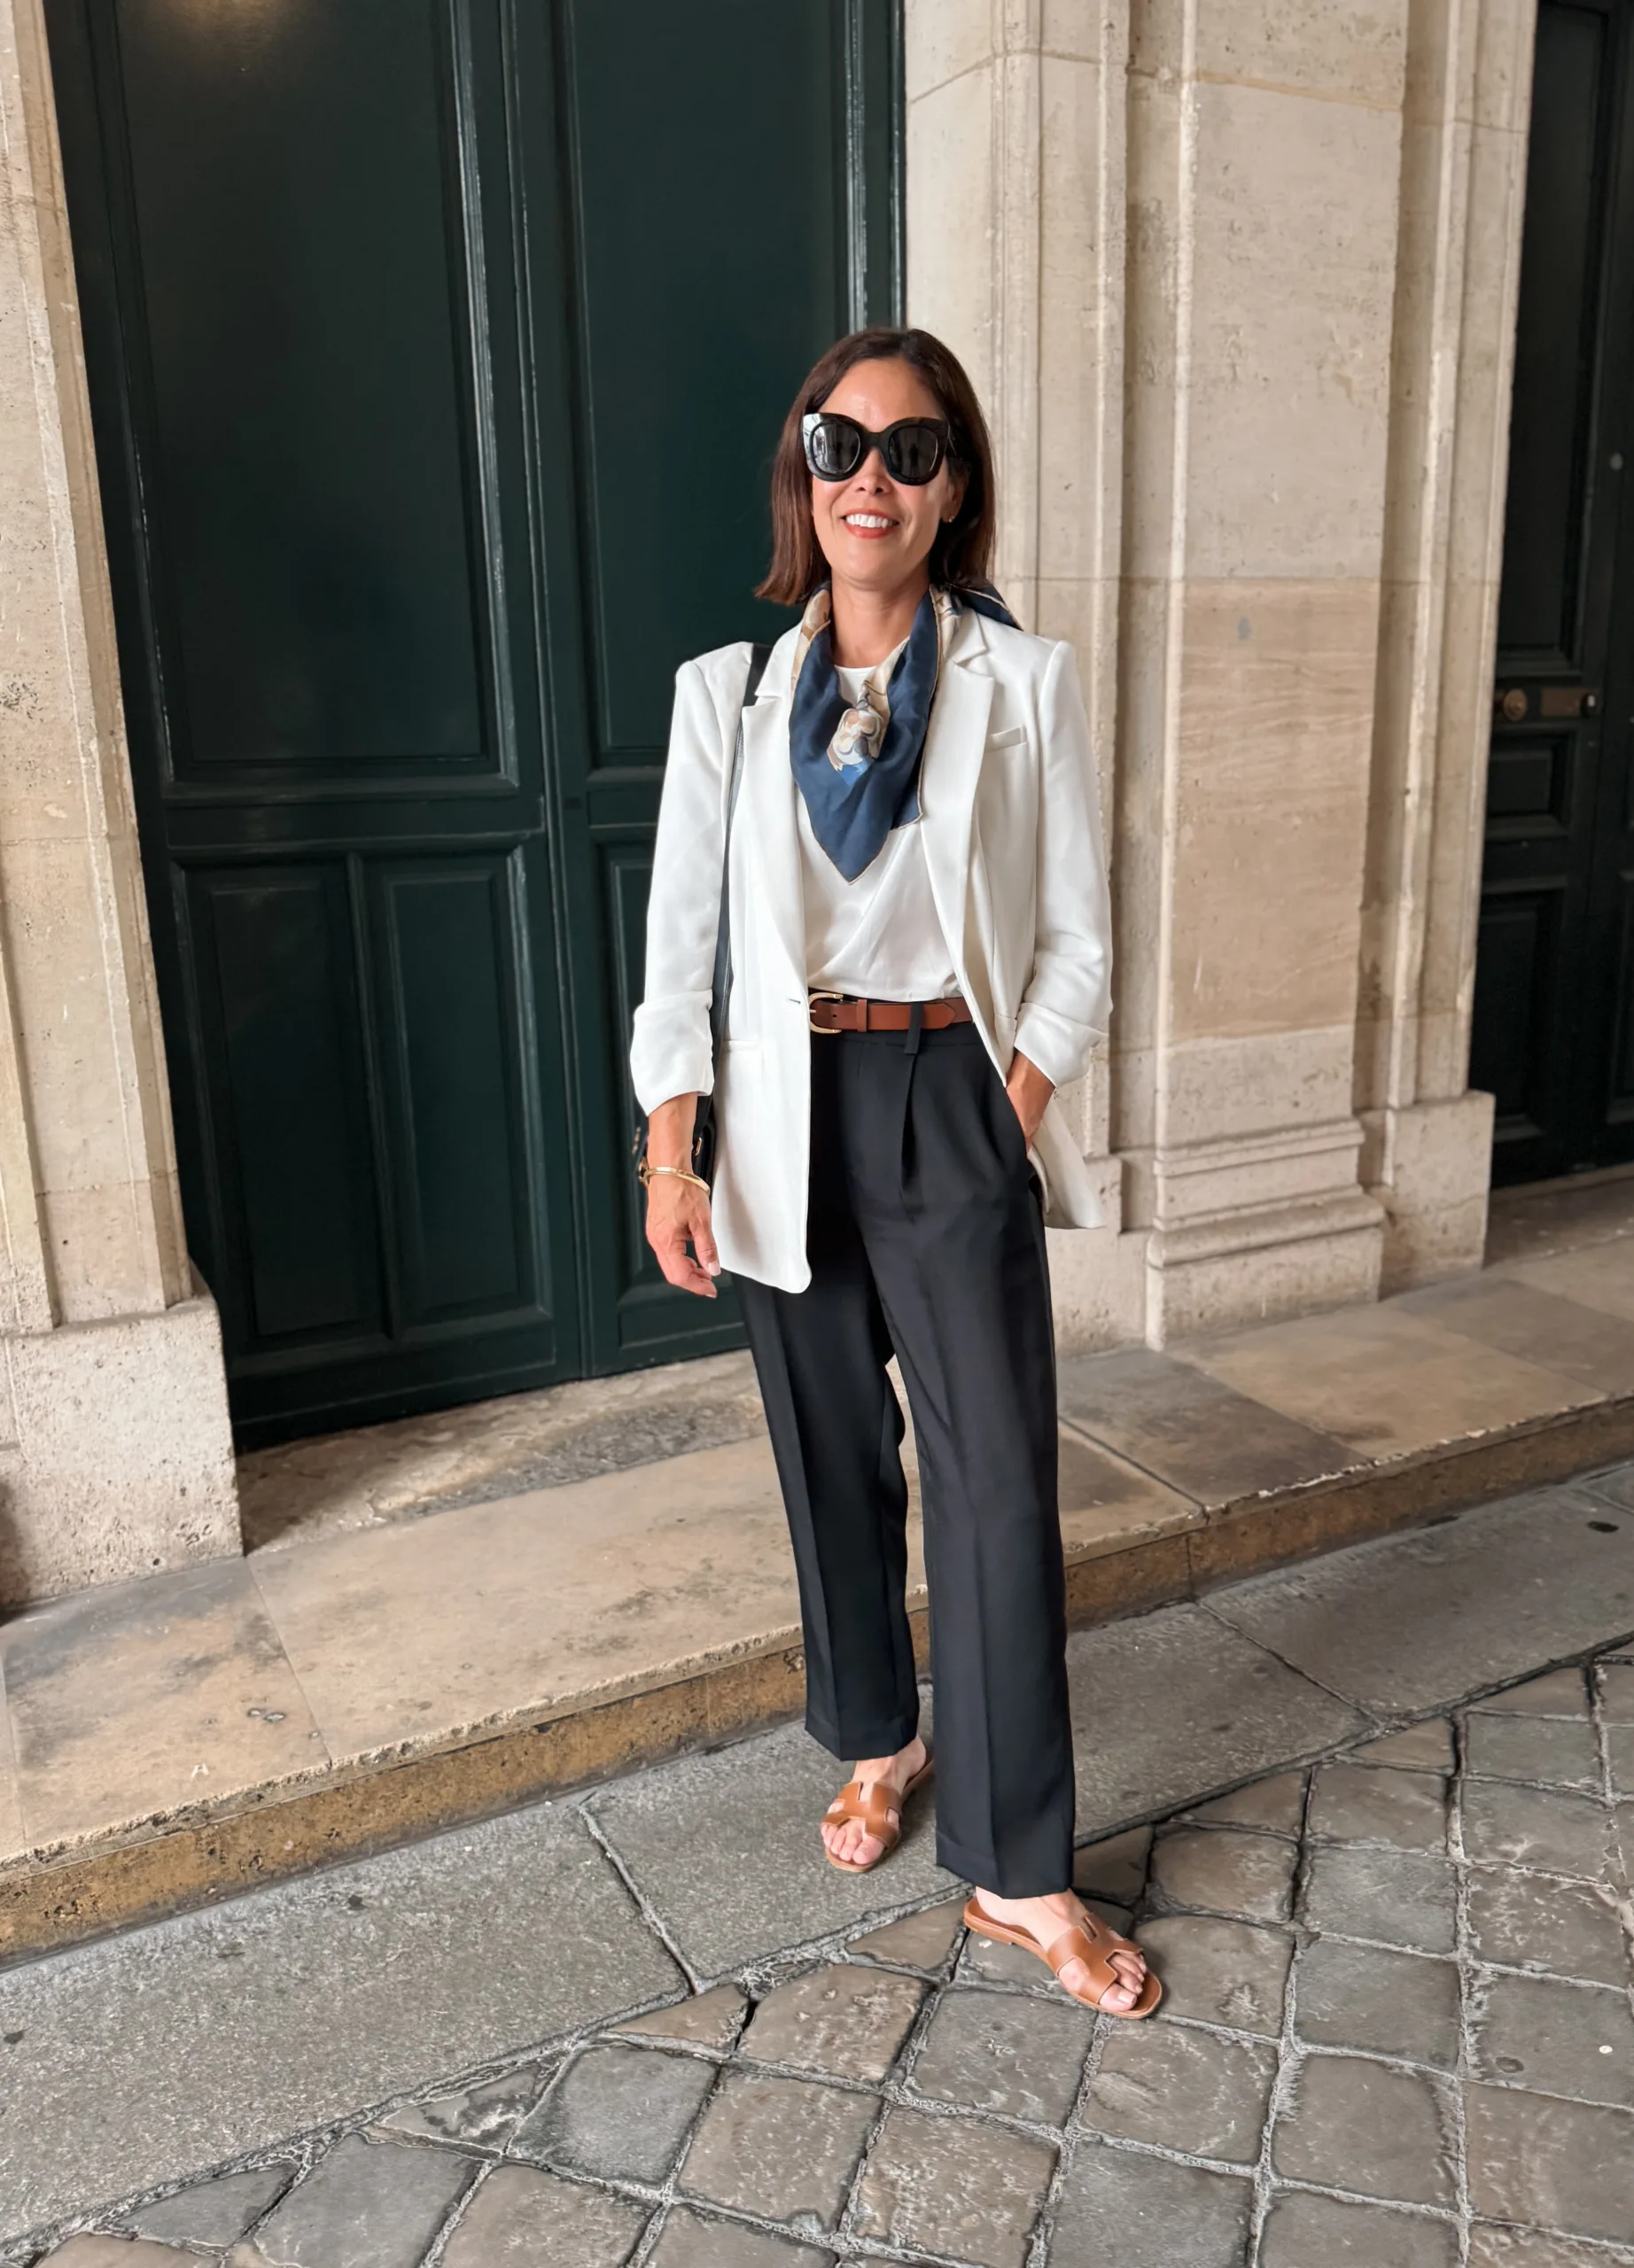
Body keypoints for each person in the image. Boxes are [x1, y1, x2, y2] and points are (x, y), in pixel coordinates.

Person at [630, 327, 1156, 2017]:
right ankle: (878, 1734)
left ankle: (1017, 1870)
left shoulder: (1026, 685)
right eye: (840, 441)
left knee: (1000, 1484)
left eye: (912, 450)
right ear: (805, 471)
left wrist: (1013, 1091)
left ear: (953, 487)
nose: (873, 475)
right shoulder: (729, 695)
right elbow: (682, 953)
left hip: (946, 1089)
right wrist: (671, 1146)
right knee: (830, 1454)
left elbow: (1079, 932)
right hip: (782, 1104)